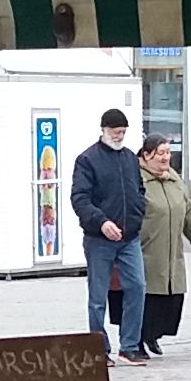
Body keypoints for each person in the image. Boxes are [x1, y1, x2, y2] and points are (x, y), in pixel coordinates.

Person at [69, 108, 148, 360]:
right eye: (115, 131)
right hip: (99, 239)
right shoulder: (87, 159)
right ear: (103, 130)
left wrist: (138, 213)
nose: (119, 136)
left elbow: (139, 190)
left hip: (129, 237)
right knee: (98, 296)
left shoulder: (130, 158)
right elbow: (80, 198)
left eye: (123, 132)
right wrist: (101, 222)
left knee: (137, 287)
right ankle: (99, 349)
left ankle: (130, 346)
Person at [135, 136, 191, 359]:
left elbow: (187, 208)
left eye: (168, 152)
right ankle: (138, 338)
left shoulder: (173, 178)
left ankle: (153, 335)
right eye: (160, 153)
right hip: (146, 248)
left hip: (171, 250)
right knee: (148, 297)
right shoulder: (138, 179)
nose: (166, 157)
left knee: (171, 297)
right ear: (147, 155)